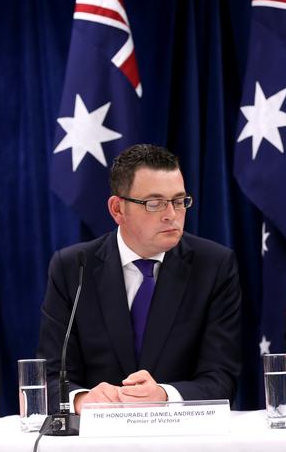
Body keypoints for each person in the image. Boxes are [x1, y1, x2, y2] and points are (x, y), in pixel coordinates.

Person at [38, 144, 242, 414]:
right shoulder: (73, 267)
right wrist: (81, 399)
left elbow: (222, 379)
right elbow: (51, 376)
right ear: (117, 209)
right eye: (154, 203)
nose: (171, 214)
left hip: (181, 438)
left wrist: (163, 395)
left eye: (179, 201)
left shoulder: (214, 266)